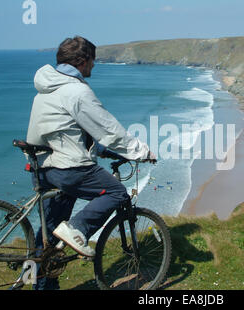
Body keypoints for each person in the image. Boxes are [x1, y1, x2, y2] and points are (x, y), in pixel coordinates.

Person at [25, 36, 155, 290]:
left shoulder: (47, 87)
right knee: (117, 192)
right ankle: (78, 229)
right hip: (68, 168)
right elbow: (108, 129)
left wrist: (101, 150)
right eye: (92, 62)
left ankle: (40, 285)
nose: (94, 67)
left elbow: (69, 128)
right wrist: (140, 151)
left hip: (43, 166)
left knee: (49, 234)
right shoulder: (77, 90)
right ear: (83, 61)